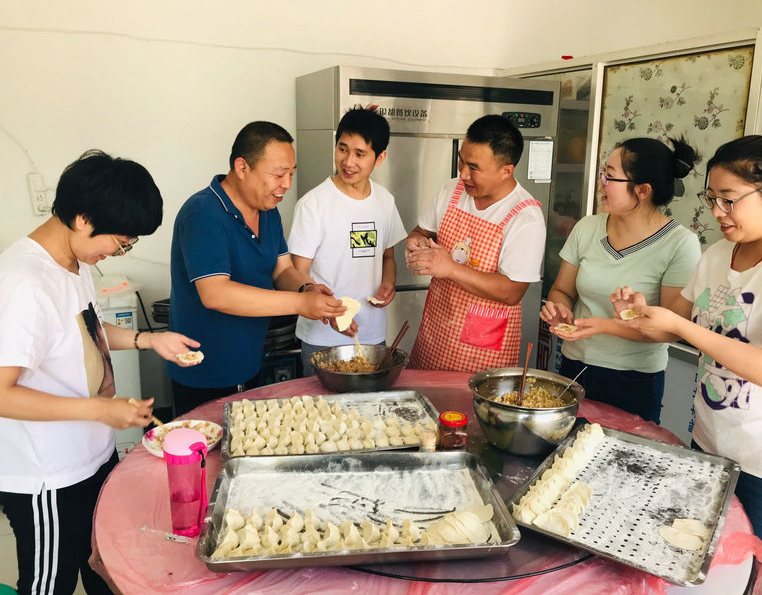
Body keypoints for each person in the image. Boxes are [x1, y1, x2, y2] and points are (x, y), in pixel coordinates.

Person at [0, 150, 200, 595]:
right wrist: (99, 409)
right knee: (49, 583)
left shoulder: (73, 263)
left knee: (106, 570)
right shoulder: (23, 283)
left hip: (91, 459)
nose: (118, 251)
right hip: (48, 478)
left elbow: (84, 330)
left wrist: (148, 340)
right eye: (121, 241)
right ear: (82, 219)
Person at [611, 135, 762, 594]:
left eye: (729, 200)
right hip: (711, 443)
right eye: (711, 198)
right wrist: (640, 313)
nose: (717, 212)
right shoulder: (717, 254)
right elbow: (672, 326)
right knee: (714, 574)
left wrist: (681, 325)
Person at [168, 121, 345, 415]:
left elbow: (282, 271)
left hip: (249, 362)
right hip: (203, 371)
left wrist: (308, 289)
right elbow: (215, 294)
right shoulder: (203, 213)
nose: (287, 184)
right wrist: (300, 303)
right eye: (279, 174)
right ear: (242, 167)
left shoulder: (268, 212)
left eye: (291, 174)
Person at [540, 137, 701, 424]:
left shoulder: (680, 244)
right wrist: (559, 308)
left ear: (643, 190)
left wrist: (604, 326)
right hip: (574, 365)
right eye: (603, 172)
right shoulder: (587, 228)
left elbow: (672, 329)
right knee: (564, 447)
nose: (601, 182)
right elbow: (562, 289)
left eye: (609, 176)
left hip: (634, 378)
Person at [405, 114, 546, 373]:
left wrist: (451, 268)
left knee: (470, 399)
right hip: (436, 331)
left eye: (474, 167)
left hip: (483, 346)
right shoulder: (451, 191)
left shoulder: (525, 218)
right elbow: (421, 230)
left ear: (506, 171)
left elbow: (512, 292)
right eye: (461, 160)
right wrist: (416, 242)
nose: (463, 174)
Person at [288, 106, 406, 376]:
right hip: (322, 337)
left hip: (372, 334)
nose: (348, 161)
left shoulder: (385, 201)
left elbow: (388, 257)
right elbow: (297, 273)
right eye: (342, 149)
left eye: (360, 154)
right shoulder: (313, 204)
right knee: (318, 403)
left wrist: (389, 282)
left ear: (380, 157)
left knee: (369, 401)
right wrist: (330, 314)